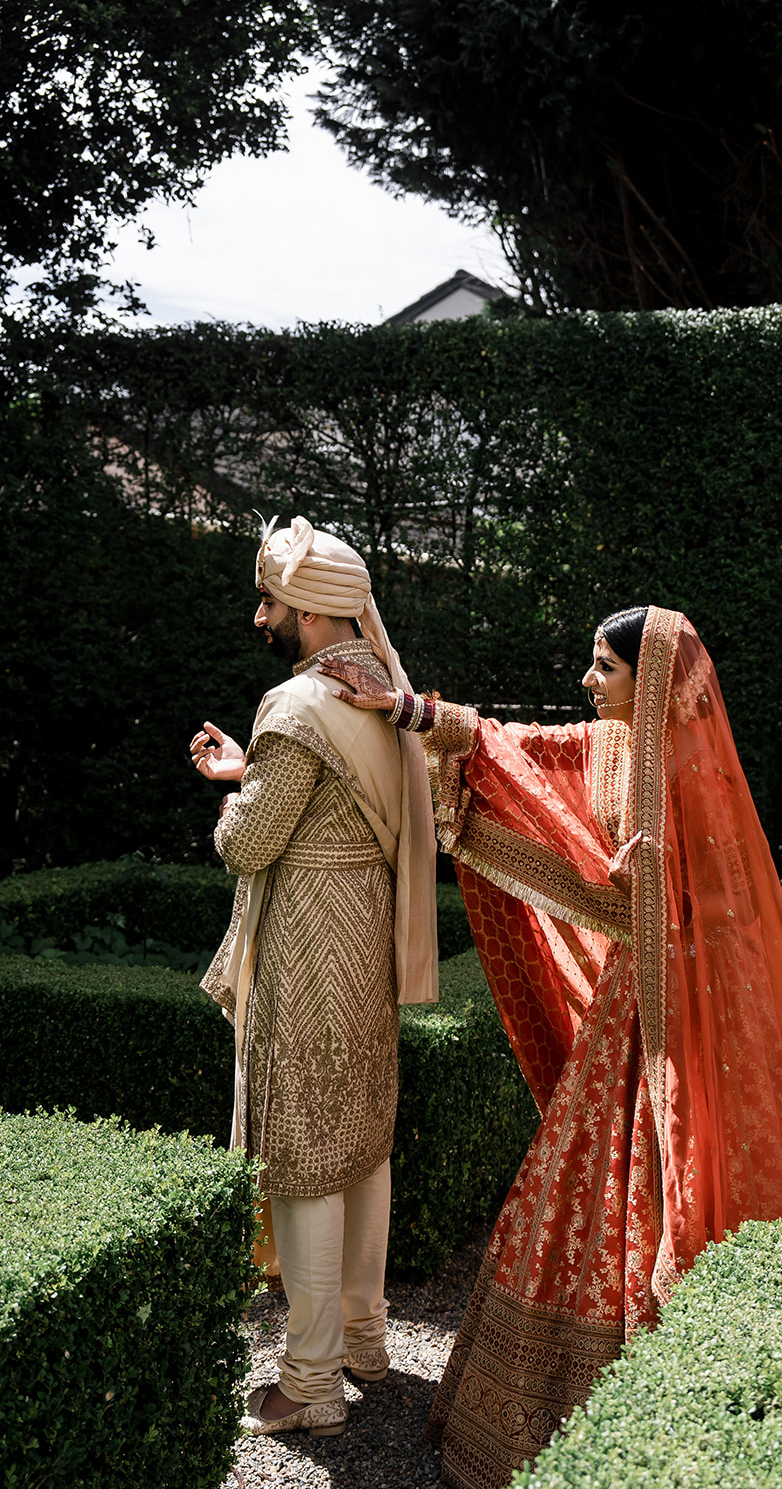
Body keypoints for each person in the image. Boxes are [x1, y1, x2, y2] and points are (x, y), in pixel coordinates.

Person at [320, 603, 782, 1489]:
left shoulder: (695, 773)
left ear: (648, 679)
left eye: (604, 668)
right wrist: (408, 709)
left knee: (690, 1173)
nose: (588, 681)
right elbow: (513, 748)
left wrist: (658, 883)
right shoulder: (609, 746)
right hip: (629, 1003)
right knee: (578, 1179)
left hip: (694, 1017)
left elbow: (730, 913)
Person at [191, 515, 438, 1439]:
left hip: (306, 947)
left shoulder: (294, 704)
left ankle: (310, 1383)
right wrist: (249, 770)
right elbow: (334, 796)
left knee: (301, 1154)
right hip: (366, 939)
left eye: (269, 602)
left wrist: (231, 804)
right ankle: (363, 1341)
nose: (260, 618)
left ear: (306, 609)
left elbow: (250, 842)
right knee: (361, 1144)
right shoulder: (384, 691)